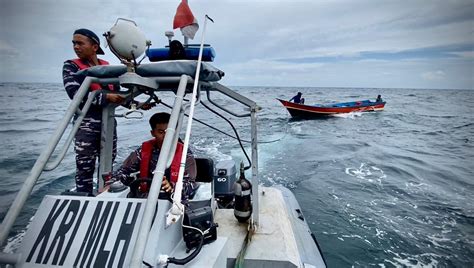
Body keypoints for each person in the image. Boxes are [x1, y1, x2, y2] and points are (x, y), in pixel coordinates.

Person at [63, 28, 153, 194]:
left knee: (107, 163)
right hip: (86, 124)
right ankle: (84, 198)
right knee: (85, 167)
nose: (76, 46)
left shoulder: (107, 67)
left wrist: (137, 104)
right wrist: (106, 98)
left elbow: (117, 94)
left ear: (94, 46)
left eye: (80, 43)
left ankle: (103, 194)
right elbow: (75, 94)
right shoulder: (71, 66)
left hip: (108, 123)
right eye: (74, 43)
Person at [107, 112, 198, 199]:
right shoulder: (142, 151)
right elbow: (123, 172)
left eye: (169, 132)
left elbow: (190, 184)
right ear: (153, 133)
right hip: (146, 198)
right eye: (161, 132)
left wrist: (171, 186)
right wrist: (112, 183)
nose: (166, 136)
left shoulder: (185, 154)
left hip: (175, 201)